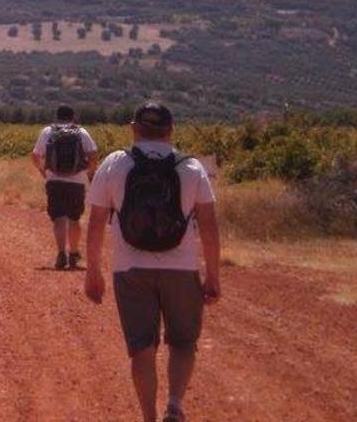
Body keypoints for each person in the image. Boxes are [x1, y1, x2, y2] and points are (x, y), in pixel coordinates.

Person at [85, 102, 221, 422]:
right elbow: (210, 228)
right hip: (183, 268)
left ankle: (149, 417)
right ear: (171, 130)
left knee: (142, 348)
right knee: (184, 342)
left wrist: (93, 272)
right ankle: (174, 405)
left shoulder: (115, 164)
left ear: (134, 128)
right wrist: (212, 275)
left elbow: (95, 224)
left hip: (129, 269)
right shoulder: (191, 168)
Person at [31, 104, 100, 270]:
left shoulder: (48, 132)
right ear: (73, 116)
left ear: (57, 116)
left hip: (54, 180)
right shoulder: (81, 132)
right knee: (74, 218)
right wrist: (89, 173)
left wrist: (44, 171)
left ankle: (61, 253)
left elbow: (35, 155)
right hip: (77, 181)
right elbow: (93, 154)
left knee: (58, 218)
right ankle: (73, 253)